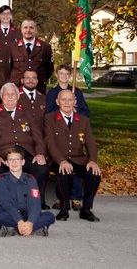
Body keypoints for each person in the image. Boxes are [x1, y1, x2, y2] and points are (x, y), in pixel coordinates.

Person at [0, 83, 49, 209]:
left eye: (13, 94)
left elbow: (37, 136)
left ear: (17, 97)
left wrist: (40, 153)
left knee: (41, 168)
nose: (10, 97)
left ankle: (37, 202)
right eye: (6, 95)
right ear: (1, 96)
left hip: (26, 153)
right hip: (4, 154)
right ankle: (3, 203)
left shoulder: (27, 112)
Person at [44, 89, 101, 222]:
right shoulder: (49, 118)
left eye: (70, 100)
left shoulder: (83, 120)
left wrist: (92, 160)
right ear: (58, 102)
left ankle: (86, 209)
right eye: (64, 100)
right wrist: (62, 161)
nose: (67, 103)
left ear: (75, 102)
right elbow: (50, 143)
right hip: (58, 159)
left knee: (94, 174)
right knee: (65, 172)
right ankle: (64, 209)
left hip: (78, 158)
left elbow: (91, 143)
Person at [0, 147, 55, 236]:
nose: (14, 162)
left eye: (17, 159)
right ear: (6, 163)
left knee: (50, 216)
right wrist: (19, 221)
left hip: (27, 214)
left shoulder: (31, 179)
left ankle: (16, 228)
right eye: (11, 160)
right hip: (10, 213)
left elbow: (35, 203)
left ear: (23, 162)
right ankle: (33, 227)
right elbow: (7, 204)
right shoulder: (1, 180)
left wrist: (30, 222)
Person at [9, 19, 54, 92]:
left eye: (31, 28)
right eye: (25, 27)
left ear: (36, 30)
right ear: (21, 30)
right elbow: (8, 69)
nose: (28, 30)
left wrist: (39, 79)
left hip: (38, 89)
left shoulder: (45, 47)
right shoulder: (12, 47)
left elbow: (49, 69)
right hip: (17, 89)